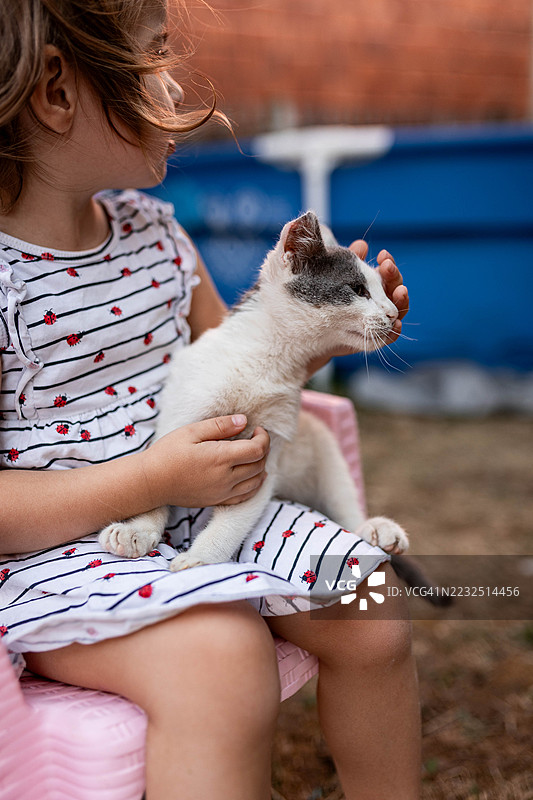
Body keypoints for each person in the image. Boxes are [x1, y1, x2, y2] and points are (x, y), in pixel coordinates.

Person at [0, 1, 420, 798]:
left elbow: (245, 375)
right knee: (222, 657)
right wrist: (150, 481)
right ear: (56, 90)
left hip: (214, 512)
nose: (177, 86)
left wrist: (323, 329)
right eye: (155, 57)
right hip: (59, 560)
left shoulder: (159, 236)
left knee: (371, 602)